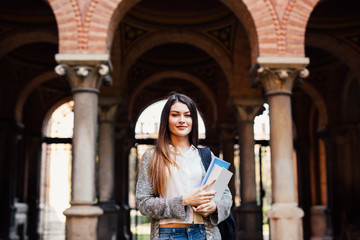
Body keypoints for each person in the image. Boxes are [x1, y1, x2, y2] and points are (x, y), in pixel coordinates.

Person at [136, 92, 232, 240]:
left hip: (204, 234)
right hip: (167, 234)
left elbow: (226, 197)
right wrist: (183, 201)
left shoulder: (207, 156)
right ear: (166, 119)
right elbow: (143, 203)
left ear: (193, 120)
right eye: (175, 115)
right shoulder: (152, 157)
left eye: (188, 115)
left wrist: (214, 207)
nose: (182, 120)